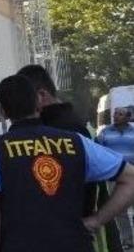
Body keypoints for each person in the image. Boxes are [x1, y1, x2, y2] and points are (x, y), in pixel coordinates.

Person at [0, 75, 134, 252]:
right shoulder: (76, 142)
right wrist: (96, 220)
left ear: (2, 111)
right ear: (38, 101)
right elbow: (131, 178)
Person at [19, 64, 123, 252]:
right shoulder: (72, 122)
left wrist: (95, 220)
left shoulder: (63, 131)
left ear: (41, 95)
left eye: (24, 100)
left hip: (76, 236)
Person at [97, 108, 134, 248]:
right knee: (119, 209)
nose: (115, 116)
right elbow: (98, 150)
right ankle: (127, 241)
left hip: (133, 174)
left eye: (120, 114)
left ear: (128, 117)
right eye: (115, 114)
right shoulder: (105, 132)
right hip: (114, 175)